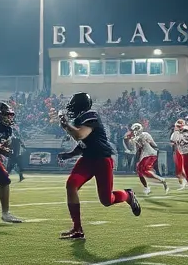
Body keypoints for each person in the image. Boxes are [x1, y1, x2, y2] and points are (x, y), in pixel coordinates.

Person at [57, 92, 141, 240]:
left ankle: (128, 195)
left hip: (102, 160)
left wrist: (66, 125)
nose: (70, 108)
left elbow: (80, 135)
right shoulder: (80, 119)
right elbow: (84, 143)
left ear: (80, 106)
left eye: (72, 105)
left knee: (107, 200)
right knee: (71, 185)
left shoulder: (91, 115)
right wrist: (69, 154)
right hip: (87, 159)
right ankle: (77, 229)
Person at [124, 123, 169, 194]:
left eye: (135, 129)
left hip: (150, 154)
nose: (134, 131)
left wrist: (155, 149)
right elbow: (136, 149)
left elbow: (153, 144)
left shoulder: (145, 134)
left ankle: (160, 180)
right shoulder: (135, 138)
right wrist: (127, 140)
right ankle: (147, 187)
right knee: (139, 171)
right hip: (144, 155)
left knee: (145, 171)